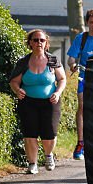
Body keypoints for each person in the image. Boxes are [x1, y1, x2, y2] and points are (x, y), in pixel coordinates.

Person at [9, 29, 66, 174]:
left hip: (50, 102)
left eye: (42, 40)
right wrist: (17, 90)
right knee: (30, 134)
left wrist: (58, 93)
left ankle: (48, 155)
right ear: (30, 43)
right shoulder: (23, 62)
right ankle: (32, 163)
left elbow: (62, 79)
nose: (38, 43)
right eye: (35, 40)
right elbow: (13, 81)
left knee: (49, 134)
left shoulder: (53, 60)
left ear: (46, 43)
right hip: (28, 102)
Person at [66, 8, 93, 160]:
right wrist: (72, 65)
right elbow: (71, 59)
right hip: (84, 76)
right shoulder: (81, 38)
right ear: (87, 23)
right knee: (82, 107)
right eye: (92, 22)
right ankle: (80, 143)